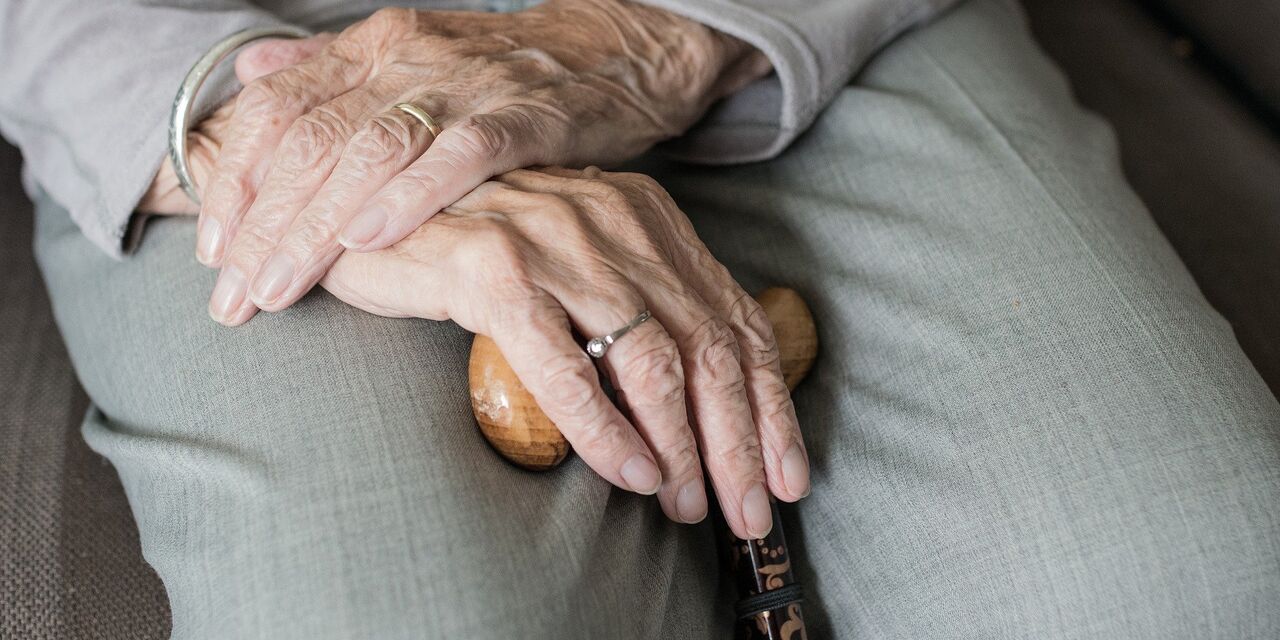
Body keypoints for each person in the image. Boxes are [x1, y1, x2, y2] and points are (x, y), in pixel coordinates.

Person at [4, 0, 1279, 637]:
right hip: (201, 45)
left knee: (1181, 584)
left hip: (813, 22)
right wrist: (270, 135)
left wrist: (641, 39)